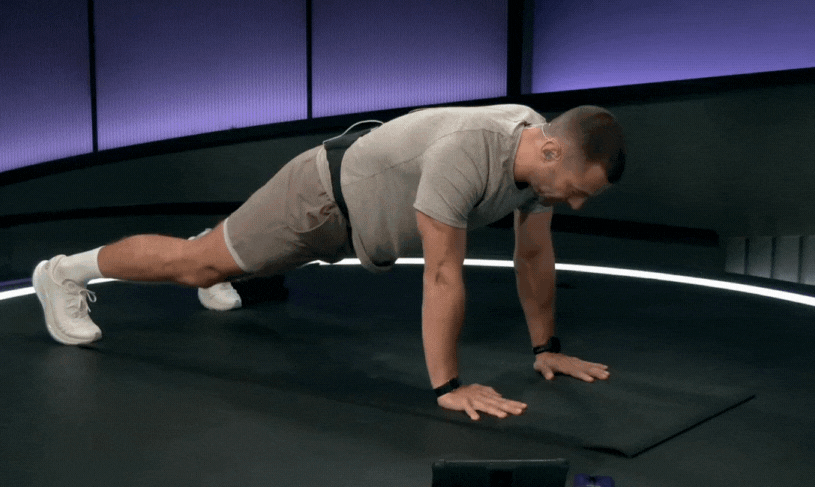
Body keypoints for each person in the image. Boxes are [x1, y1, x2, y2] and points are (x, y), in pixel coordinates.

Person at [33, 104, 625, 421]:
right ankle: (63, 272)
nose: (574, 203)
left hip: (356, 218)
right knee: (196, 265)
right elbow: (443, 272)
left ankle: (228, 254)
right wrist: (449, 386)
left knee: (225, 259)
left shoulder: (538, 162)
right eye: (575, 189)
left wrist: (546, 348)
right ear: (551, 150)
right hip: (318, 201)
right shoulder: (471, 153)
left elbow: (533, 253)